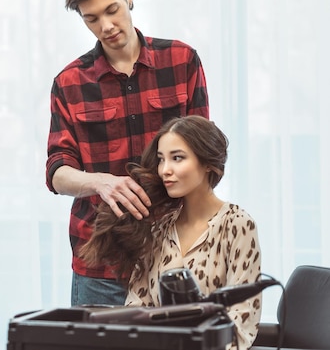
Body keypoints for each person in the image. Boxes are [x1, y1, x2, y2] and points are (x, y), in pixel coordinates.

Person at [45, 0, 209, 306]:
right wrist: (100, 182)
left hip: (177, 258)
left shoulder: (182, 61)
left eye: (112, 9)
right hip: (101, 266)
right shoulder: (69, 83)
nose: (105, 25)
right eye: (92, 18)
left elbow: (206, 158)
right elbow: (57, 172)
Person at [80, 115, 262, 350]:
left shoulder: (238, 225)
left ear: (207, 163)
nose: (165, 170)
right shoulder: (158, 230)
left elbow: (242, 321)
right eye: (161, 160)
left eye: (177, 158)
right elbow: (136, 310)